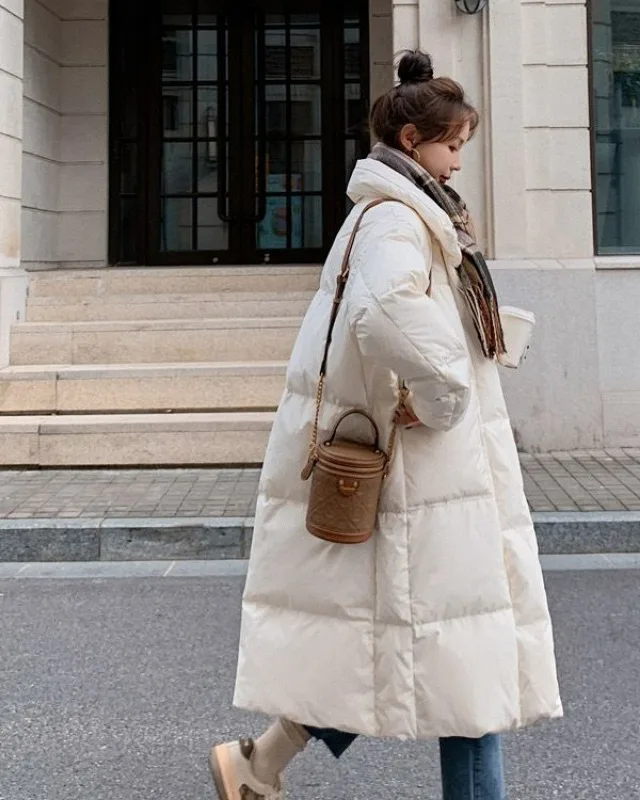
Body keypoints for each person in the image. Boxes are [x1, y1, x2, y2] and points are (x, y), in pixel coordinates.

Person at [209, 50, 562, 800]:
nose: (461, 159)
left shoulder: (401, 212)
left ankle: (259, 765)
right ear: (412, 141)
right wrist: (446, 396)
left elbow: (407, 312)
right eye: (454, 144)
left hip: (431, 480)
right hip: (422, 474)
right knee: (466, 672)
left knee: (404, 646)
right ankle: (258, 765)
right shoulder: (397, 218)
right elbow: (387, 313)